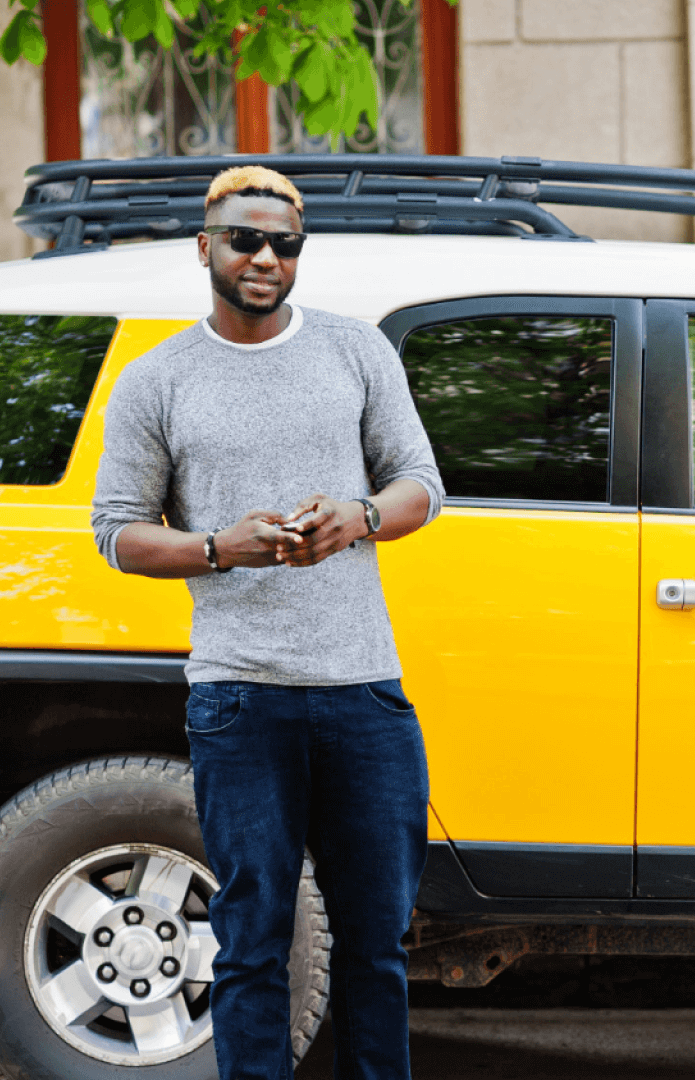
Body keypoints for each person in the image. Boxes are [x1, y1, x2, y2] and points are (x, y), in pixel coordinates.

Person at [91, 164, 443, 1080]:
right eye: (245, 240)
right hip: (240, 698)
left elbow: (421, 485)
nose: (264, 258)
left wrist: (359, 517)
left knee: (376, 946)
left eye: (284, 244)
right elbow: (116, 533)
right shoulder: (157, 380)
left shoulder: (356, 350)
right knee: (252, 943)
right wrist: (220, 548)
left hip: (364, 693)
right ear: (204, 247)